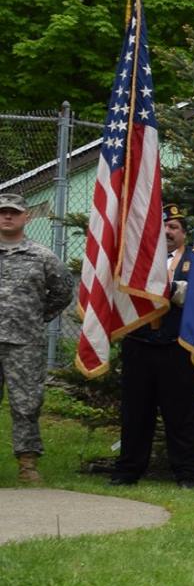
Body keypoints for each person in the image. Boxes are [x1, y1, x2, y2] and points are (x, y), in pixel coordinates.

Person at [110, 205, 194, 487]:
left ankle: (187, 474)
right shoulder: (136, 258)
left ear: (184, 233)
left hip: (177, 346)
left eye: (174, 227)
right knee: (135, 412)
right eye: (162, 226)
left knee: (181, 415)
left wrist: (164, 287)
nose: (167, 232)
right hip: (139, 344)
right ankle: (127, 472)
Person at [0, 189, 74, 486]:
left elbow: (63, 292)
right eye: (2, 211)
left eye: (13, 212)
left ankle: (27, 465)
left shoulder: (42, 256)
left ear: (26, 217)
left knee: (26, 404)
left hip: (24, 342)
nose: (7, 216)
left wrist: (36, 316)